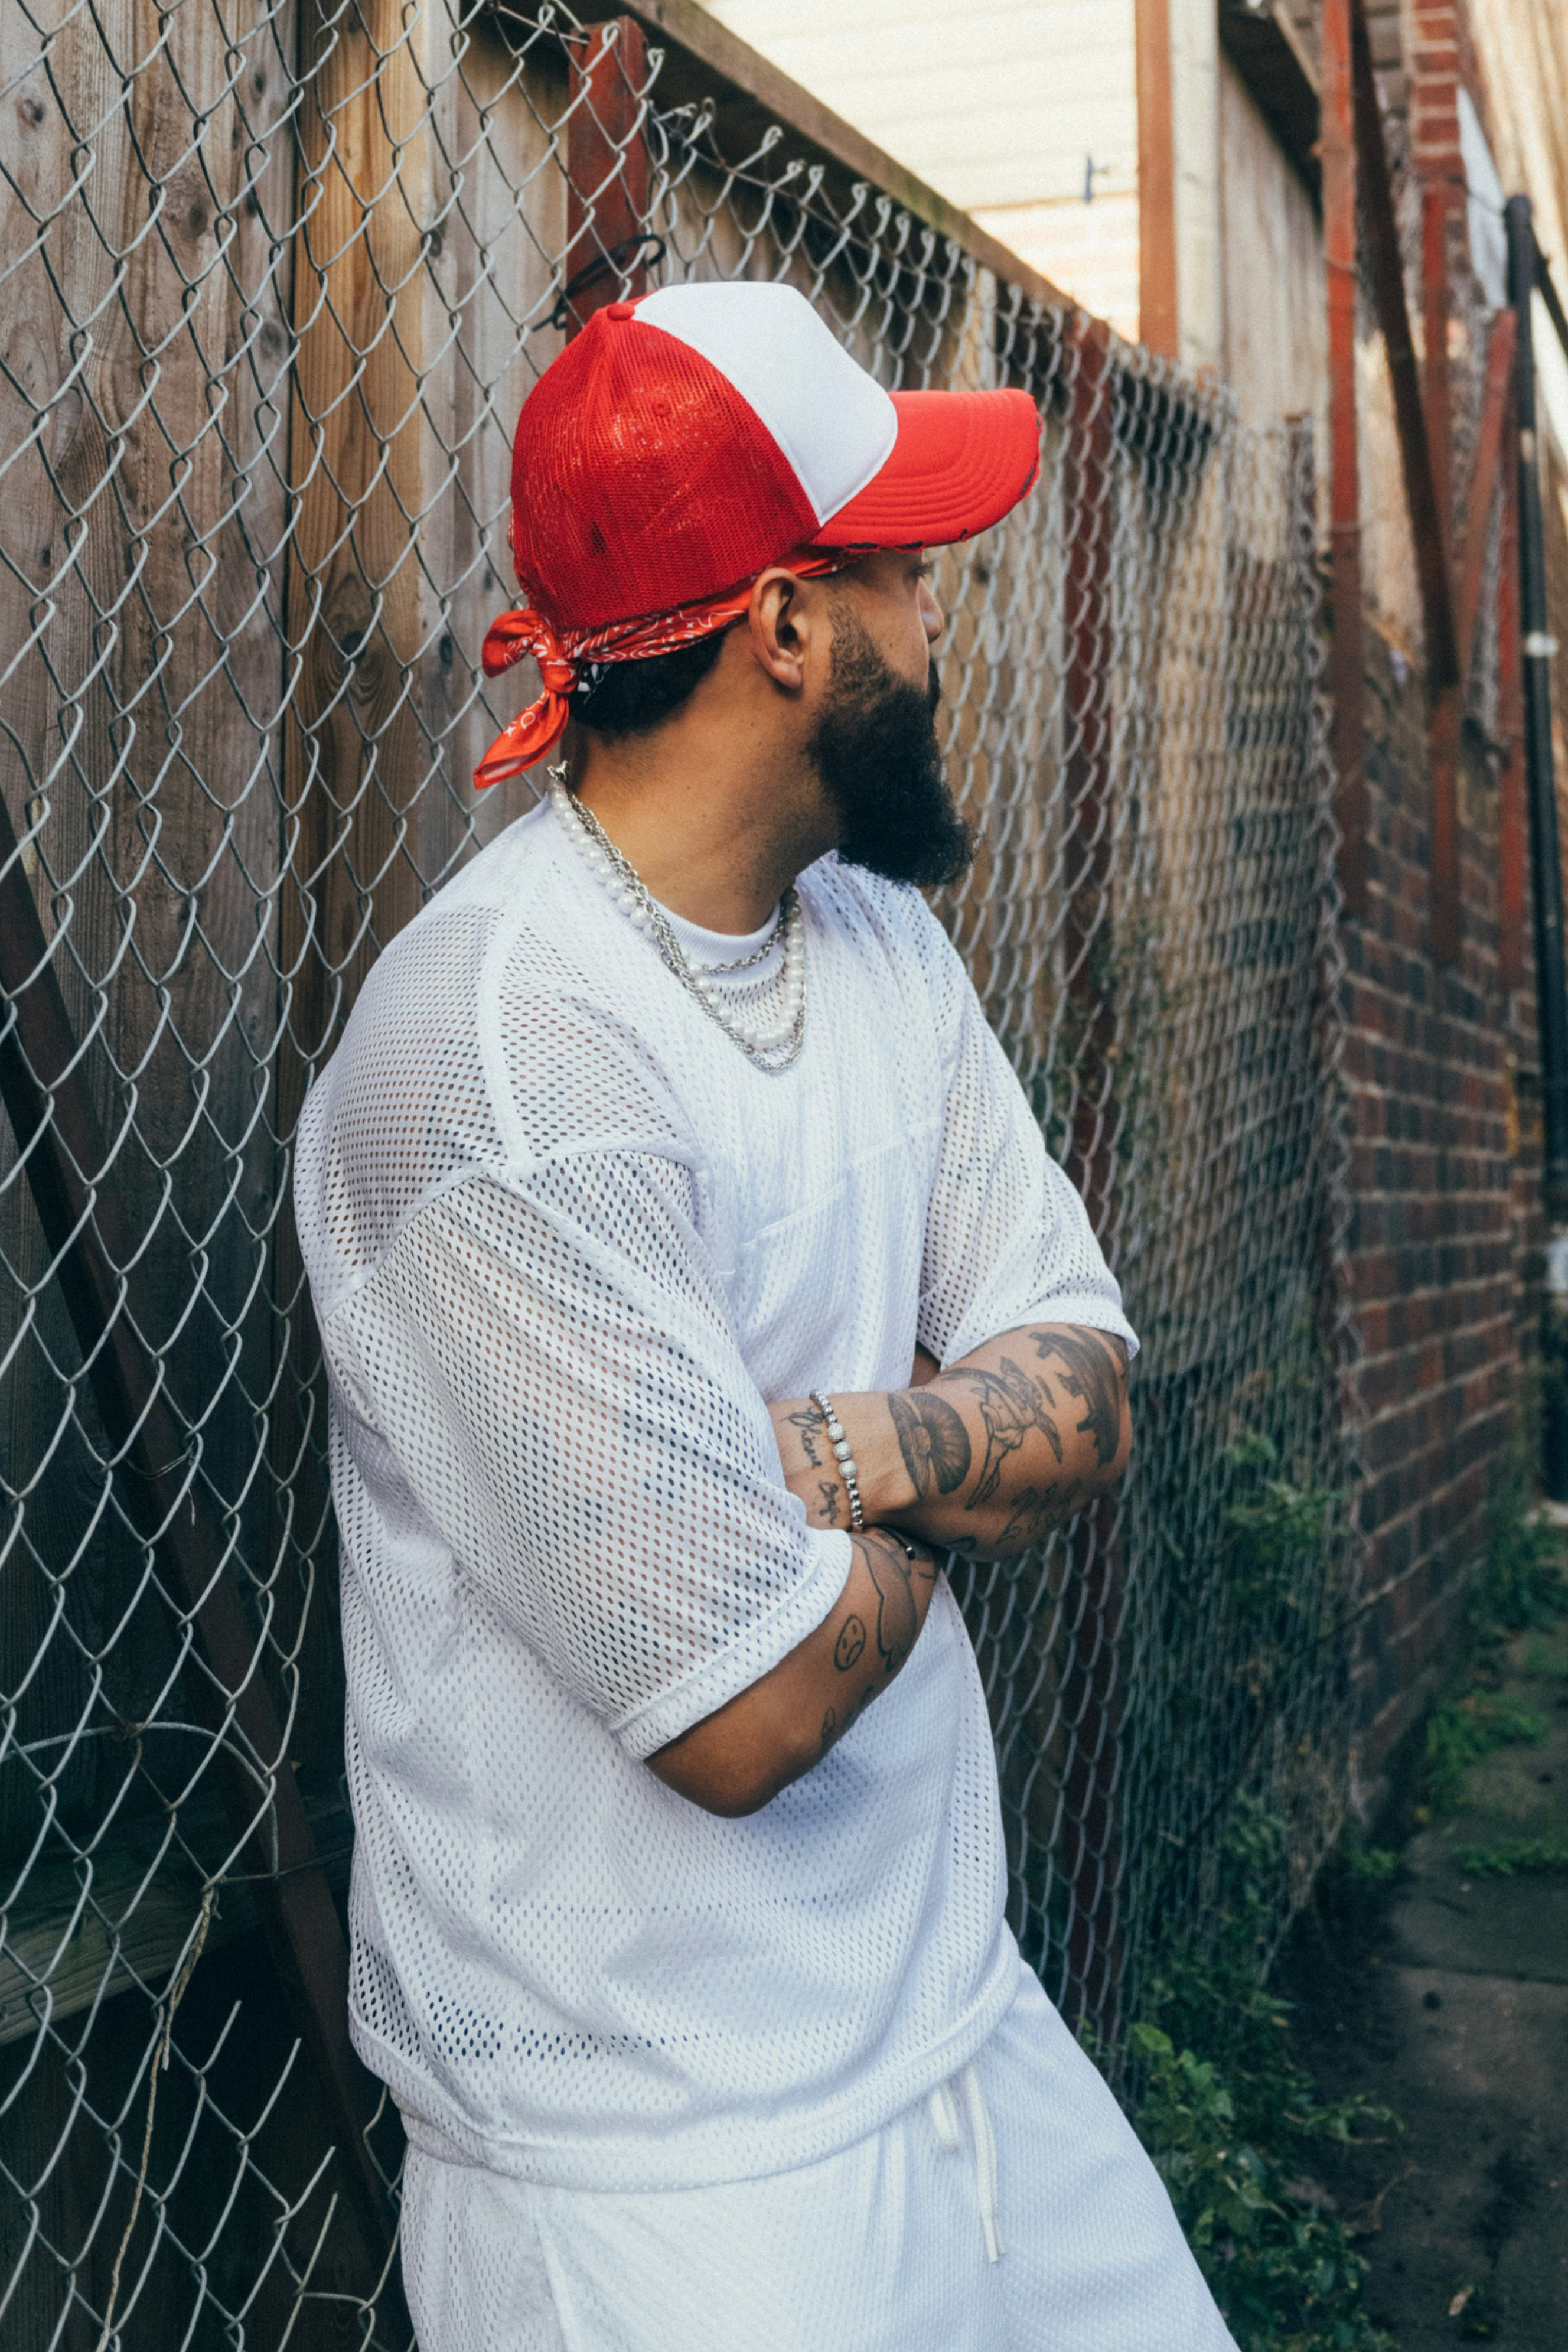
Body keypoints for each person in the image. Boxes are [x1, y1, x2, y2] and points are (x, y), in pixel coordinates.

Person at [294, 281, 1236, 2350]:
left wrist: (807, 1465)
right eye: (905, 571)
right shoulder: (501, 1066)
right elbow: (745, 1713)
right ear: (788, 629)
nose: (945, 621)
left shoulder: (877, 941)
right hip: (672, 2194)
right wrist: (941, 1449)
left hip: (961, 2036)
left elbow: (1086, 1389)